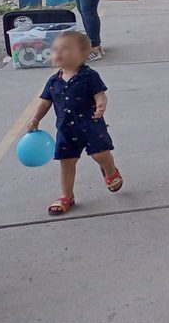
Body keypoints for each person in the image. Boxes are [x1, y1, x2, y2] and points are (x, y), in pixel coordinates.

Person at [26, 31, 122, 216]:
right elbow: (46, 101)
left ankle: (110, 171)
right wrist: (35, 118)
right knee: (67, 162)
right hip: (66, 129)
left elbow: (99, 93)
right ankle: (66, 195)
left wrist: (101, 104)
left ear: (82, 54)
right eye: (55, 49)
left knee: (100, 154)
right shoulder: (54, 81)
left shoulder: (89, 76)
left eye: (66, 49)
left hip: (91, 125)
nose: (58, 53)